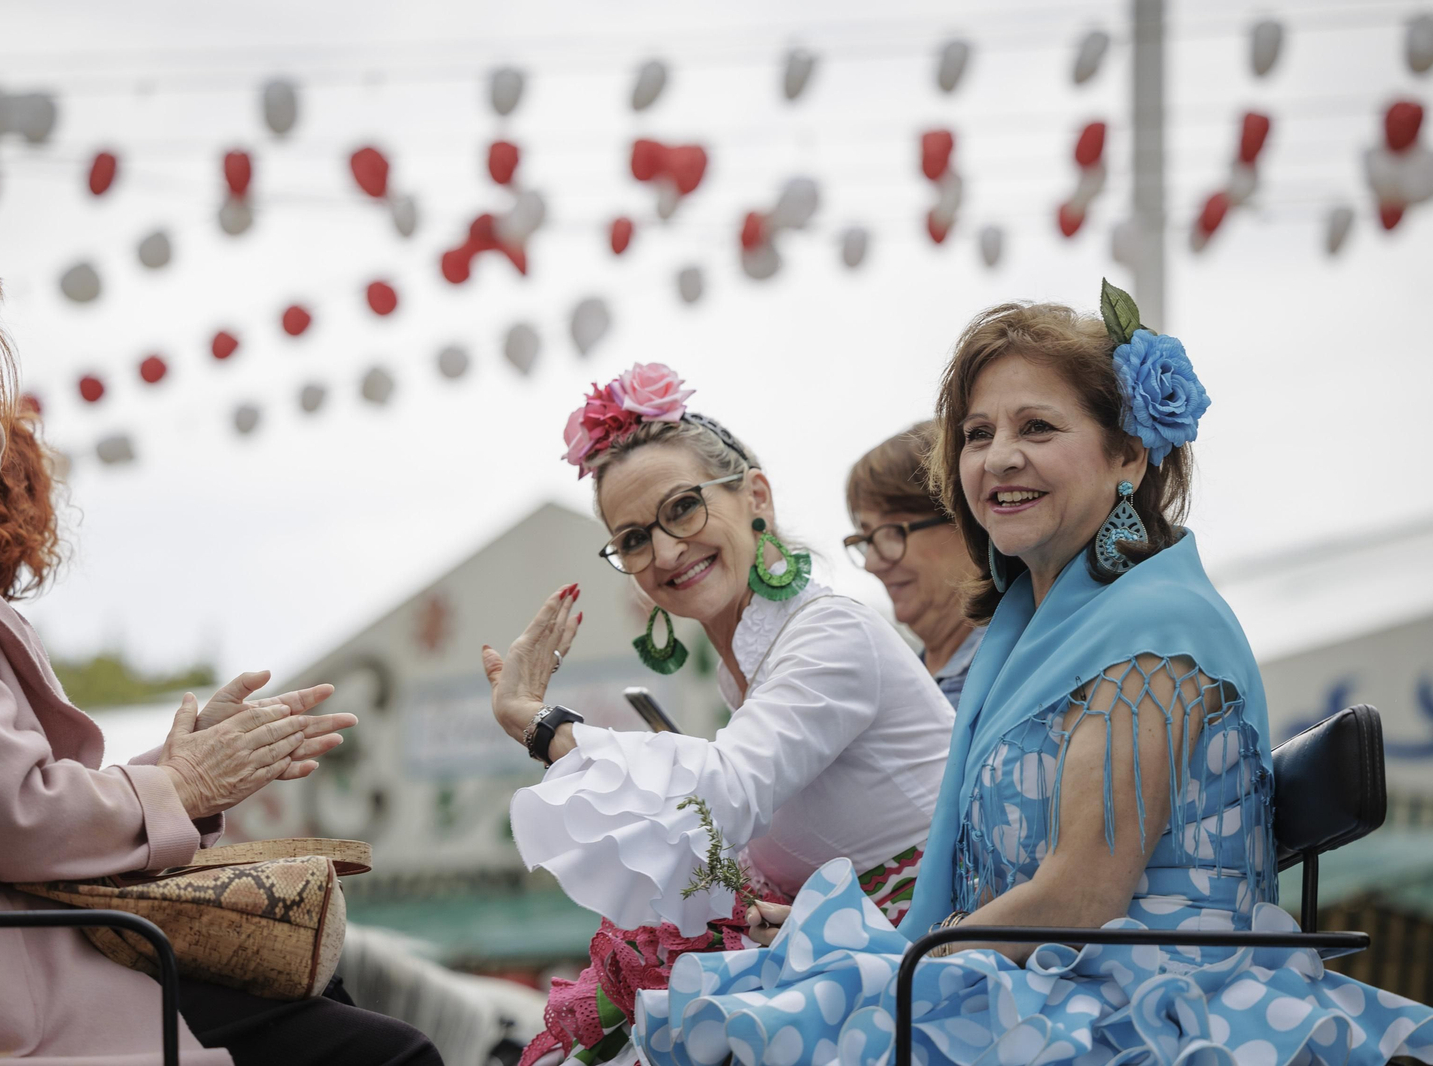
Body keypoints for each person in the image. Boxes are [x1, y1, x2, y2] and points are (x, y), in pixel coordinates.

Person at [631, 290, 1433, 1066]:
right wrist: (838, 939)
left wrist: (889, 964)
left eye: (1038, 427)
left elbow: (1080, 897)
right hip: (1058, 985)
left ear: (1129, 454)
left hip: (1150, 1006)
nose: (1000, 456)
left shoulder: (1155, 628)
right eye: (977, 434)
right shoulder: (1026, 632)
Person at [0, 271, 441, 1066]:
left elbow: (11, 795)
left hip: (9, 958)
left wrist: (187, 769)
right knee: (383, 1052)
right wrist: (184, 784)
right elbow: (19, 816)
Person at [479, 362, 955, 1066]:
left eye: (682, 508)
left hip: (927, 980)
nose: (666, 551)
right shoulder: (755, 670)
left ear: (754, 496)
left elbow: (719, 795)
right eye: (634, 538)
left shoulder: (831, 635)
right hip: (856, 973)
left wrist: (537, 723)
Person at [845, 420, 981, 707]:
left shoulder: (1017, 675)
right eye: (866, 539)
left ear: (966, 523)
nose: (872, 564)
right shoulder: (897, 686)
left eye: (891, 533)